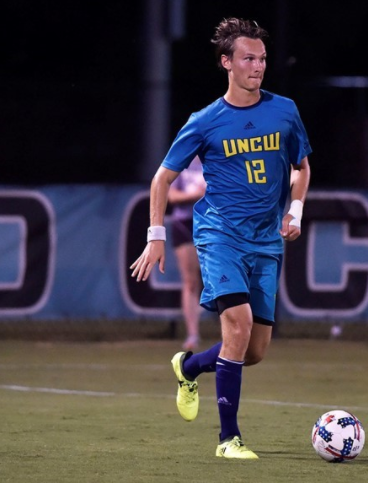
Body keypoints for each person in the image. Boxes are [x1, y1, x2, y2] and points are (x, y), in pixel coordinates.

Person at [130, 18, 312, 459]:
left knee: (254, 351)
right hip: (219, 236)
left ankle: (188, 365)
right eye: (249, 58)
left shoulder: (285, 110)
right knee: (239, 325)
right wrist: (156, 236)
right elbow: (161, 180)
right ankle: (228, 439)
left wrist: (295, 210)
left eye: (263, 58)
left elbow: (301, 167)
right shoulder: (205, 121)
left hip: (266, 241)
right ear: (226, 62)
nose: (258, 66)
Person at [168, 157, 206, 351]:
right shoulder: (181, 162)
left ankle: (234, 329)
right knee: (190, 280)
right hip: (185, 223)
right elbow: (171, 196)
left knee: (220, 279)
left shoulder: (218, 159)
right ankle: (192, 334)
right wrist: (194, 195)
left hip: (211, 223)